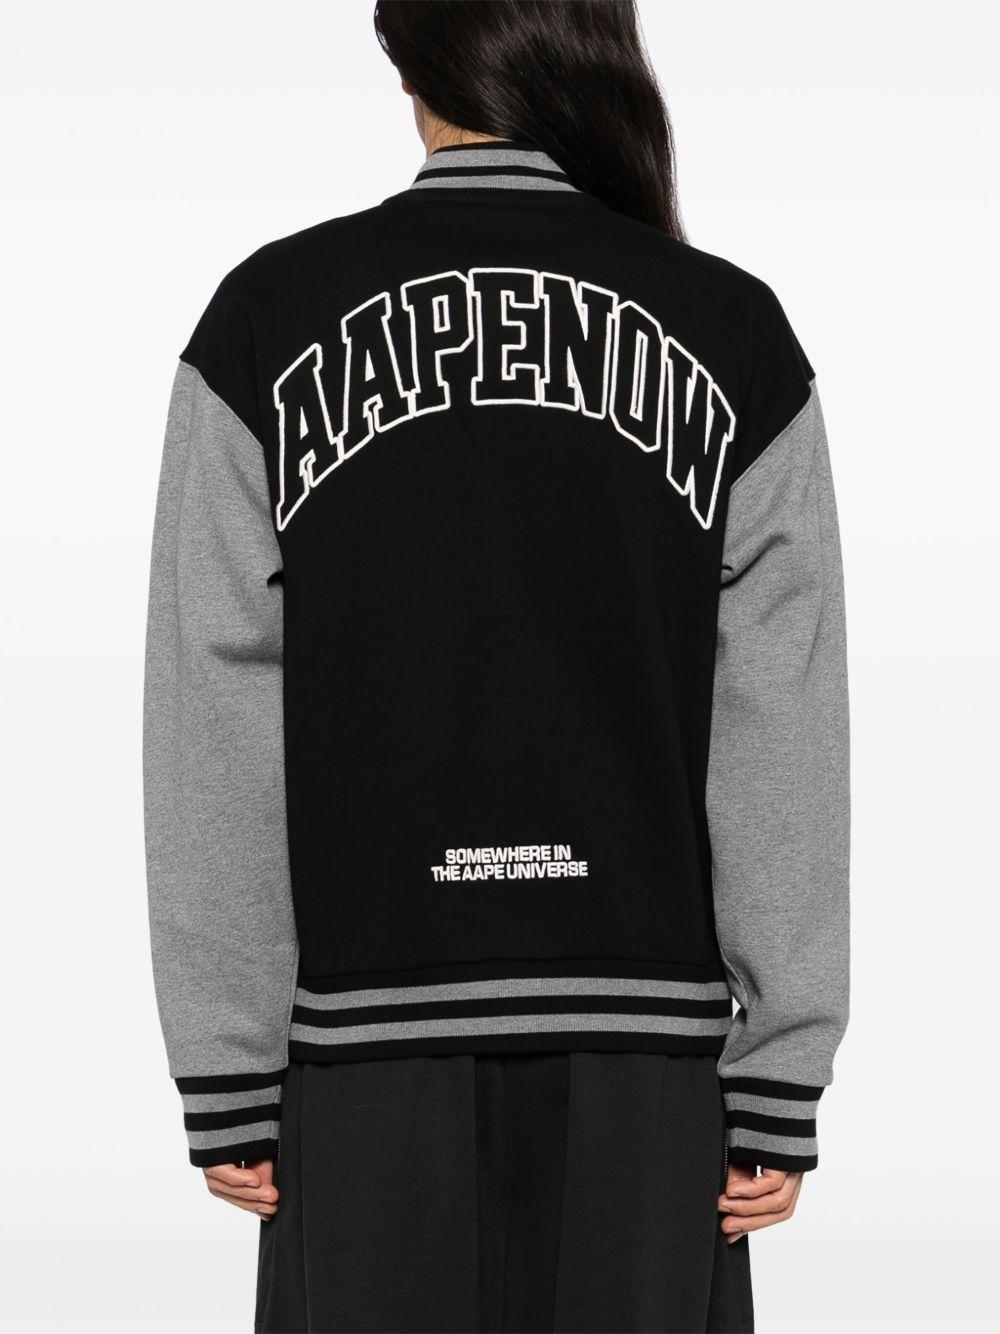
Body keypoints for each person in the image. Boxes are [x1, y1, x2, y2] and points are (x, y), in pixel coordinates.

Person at [142, 2, 849, 1330]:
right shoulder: (732, 329)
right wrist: (781, 1065)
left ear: (410, 65)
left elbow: (216, 697)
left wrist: (227, 1058)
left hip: (361, 1047)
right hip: (649, 1063)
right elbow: (780, 709)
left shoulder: (269, 319)